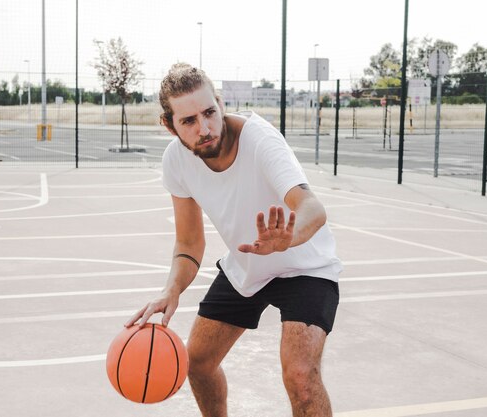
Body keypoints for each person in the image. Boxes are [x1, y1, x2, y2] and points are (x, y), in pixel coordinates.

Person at [126, 63, 342, 417]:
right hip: (247, 265)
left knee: (301, 376)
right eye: (189, 121)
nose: (205, 128)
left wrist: (288, 239)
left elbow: (312, 209)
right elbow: (189, 243)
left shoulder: (260, 140)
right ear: (169, 125)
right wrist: (172, 289)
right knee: (196, 362)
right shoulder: (176, 161)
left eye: (210, 112)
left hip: (305, 266)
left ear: (221, 104)